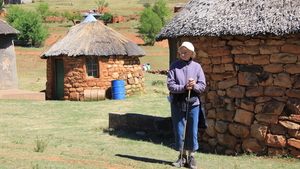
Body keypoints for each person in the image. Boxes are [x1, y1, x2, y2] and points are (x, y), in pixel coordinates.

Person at [167, 41, 206, 169]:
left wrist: (193, 85)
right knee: (179, 130)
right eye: (181, 52)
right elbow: (171, 85)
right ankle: (181, 157)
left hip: (193, 103)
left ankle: (192, 157)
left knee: (192, 130)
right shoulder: (174, 66)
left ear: (191, 54)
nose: (182, 54)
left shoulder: (197, 67)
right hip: (178, 102)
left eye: (185, 52)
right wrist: (184, 87)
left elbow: (202, 86)